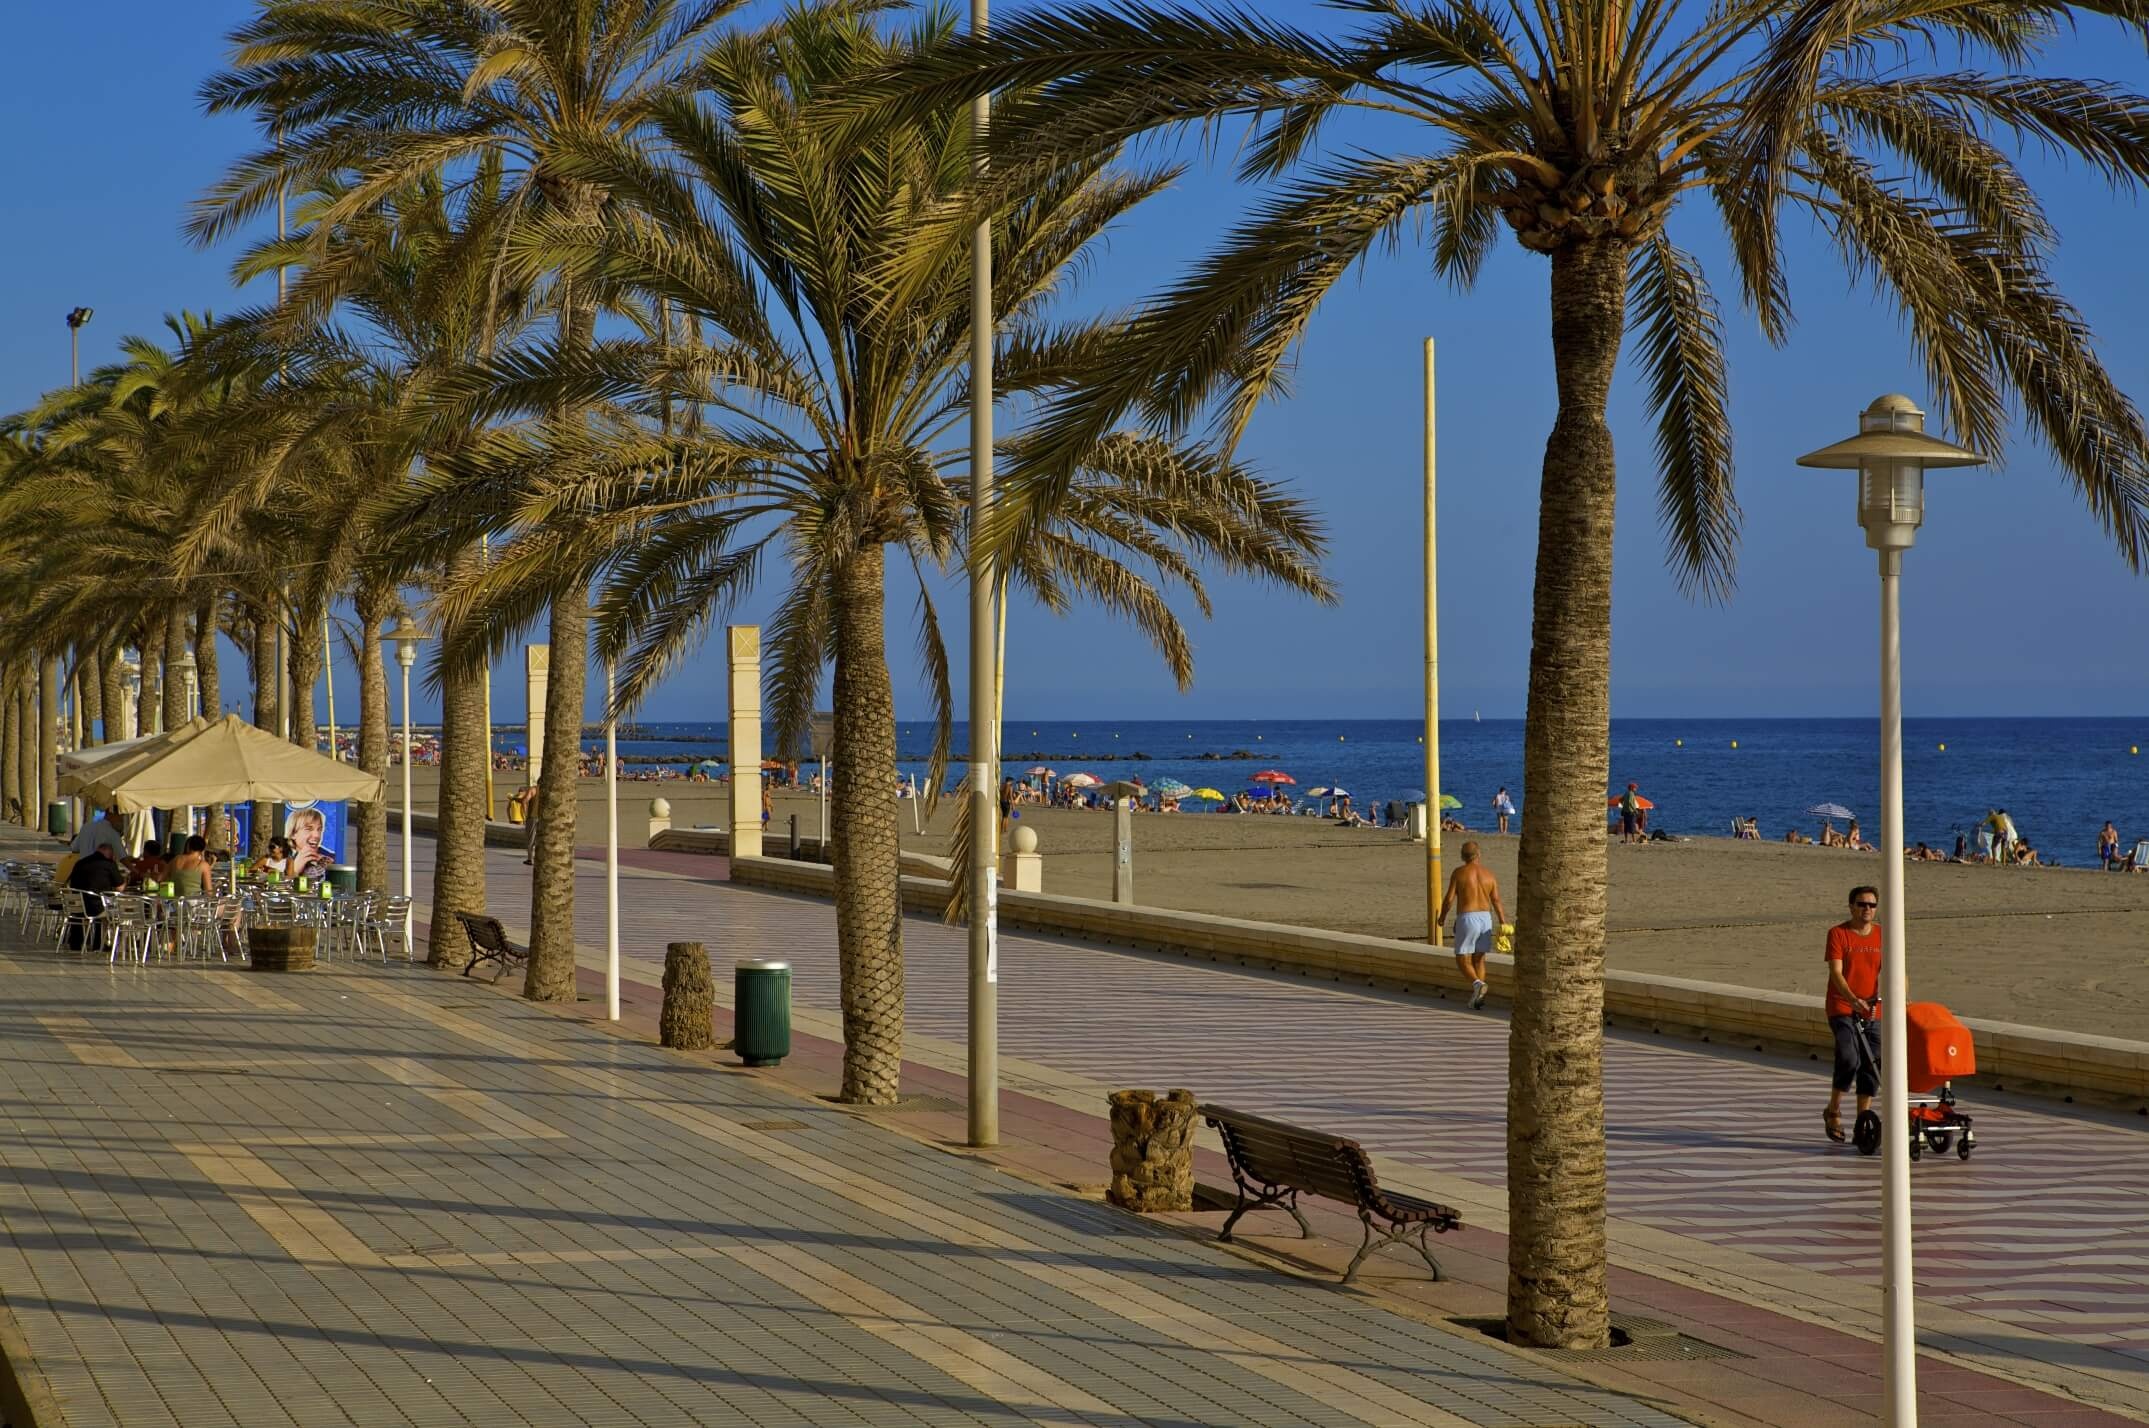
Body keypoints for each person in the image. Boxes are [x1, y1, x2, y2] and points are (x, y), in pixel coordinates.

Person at [1823, 885, 1884, 1144]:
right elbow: (1836, 973)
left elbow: (1897, 969)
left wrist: (1903, 996)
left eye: (1871, 905)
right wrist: (1852, 999)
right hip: (1842, 1006)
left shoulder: (1884, 935)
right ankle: (1833, 1109)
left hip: (1872, 1008)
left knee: (1873, 1062)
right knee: (1849, 1058)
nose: (1867, 909)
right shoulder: (1838, 934)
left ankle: (1863, 1118)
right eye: (1862, 904)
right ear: (1851, 906)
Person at [1438, 841, 1508, 1011]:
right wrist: (1503, 922)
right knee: (1479, 959)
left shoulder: (1459, 873)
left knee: (1462, 958)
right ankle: (1478, 997)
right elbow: (1496, 900)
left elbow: (1448, 900)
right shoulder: (1489, 875)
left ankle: (1477, 985)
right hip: (1485, 918)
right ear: (1479, 855)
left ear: (1463, 856)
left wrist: (1442, 918)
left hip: (1467, 917)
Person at [66, 844, 128, 951]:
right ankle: (101, 943)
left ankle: (76, 943)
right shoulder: (108, 864)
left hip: (76, 905)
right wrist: (127, 879)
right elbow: (120, 888)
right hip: (96, 907)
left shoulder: (80, 862)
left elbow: (71, 883)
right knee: (111, 910)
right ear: (110, 854)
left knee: (97, 905)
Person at [285, 808, 335, 880]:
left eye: (319, 829)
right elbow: (274, 888)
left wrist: (332, 870)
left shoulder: (331, 858)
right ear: (293, 834)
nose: (317, 835)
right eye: (309, 829)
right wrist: (294, 871)